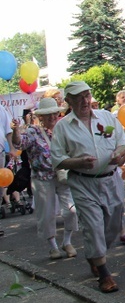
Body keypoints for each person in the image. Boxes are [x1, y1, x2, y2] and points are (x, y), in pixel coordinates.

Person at [50, 81, 125, 293]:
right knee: (93, 226)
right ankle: (104, 274)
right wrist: (76, 162)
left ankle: (95, 254)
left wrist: (119, 155)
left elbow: (123, 142)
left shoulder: (105, 117)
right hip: (83, 183)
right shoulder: (63, 126)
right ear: (68, 101)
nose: (84, 101)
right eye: (78, 97)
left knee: (113, 224)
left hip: (111, 179)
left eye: (86, 95)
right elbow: (57, 159)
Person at [12, 98, 78, 260]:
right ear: (40, 116)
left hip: (62, 175)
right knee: (46, 214)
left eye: (54, 113)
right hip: (42, 178)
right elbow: (19, 144)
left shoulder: (62, 129)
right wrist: (15, 131)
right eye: (48, 115)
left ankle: (67, 241)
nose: (52, 117)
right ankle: (53, 247)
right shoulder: (33, 131)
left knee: (72, 210)